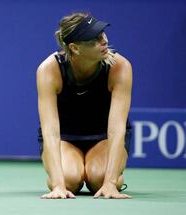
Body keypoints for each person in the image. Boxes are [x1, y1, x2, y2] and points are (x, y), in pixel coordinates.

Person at [36, 12, 133, 199]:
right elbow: (50, 130)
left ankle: (108, 176)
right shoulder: (49, 70)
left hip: (104, 137)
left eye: (102, 33)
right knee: (69, 180)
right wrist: (58, 185)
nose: (104, 40)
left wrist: (111, 183)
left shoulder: (120, 67)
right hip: (65, 137)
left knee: (100, 178)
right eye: (94, 39)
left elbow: (117, 128)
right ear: (75, 48)